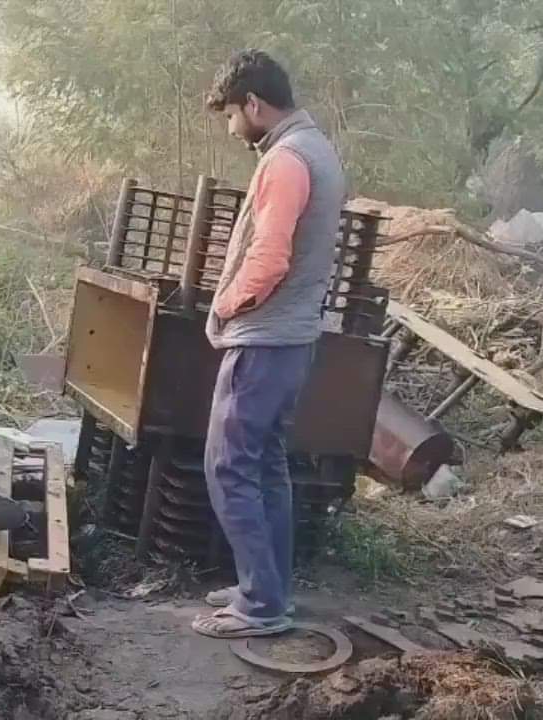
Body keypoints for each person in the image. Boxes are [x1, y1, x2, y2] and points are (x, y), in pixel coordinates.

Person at [192, 50, 347, 639]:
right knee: (266, 466)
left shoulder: (285, 160)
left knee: (228, 465)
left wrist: (225, 305)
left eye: (232, 114)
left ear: (253, 104)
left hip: (264, 338)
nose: (233, 128)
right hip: (293, 338)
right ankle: (268, 586)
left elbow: (269, 257)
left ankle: (259, 605)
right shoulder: (318, 150)